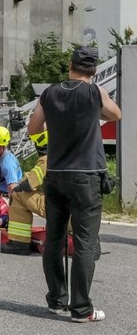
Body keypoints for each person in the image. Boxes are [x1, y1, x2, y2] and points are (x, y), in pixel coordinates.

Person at [27, 46, 121, 323]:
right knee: (84, 243)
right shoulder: (94, 93)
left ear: (70, 65)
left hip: (55, 174)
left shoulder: (50, 93)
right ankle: (81, 309)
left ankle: (56, 300)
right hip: (86, 177)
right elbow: (116, 114)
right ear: (93, 70)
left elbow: (33, 129)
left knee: (54, 240)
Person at [1, 131, 49, 255]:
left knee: (17, 194)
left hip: (61, 209)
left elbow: (28, 185)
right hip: (83, 211)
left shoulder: (48, 159)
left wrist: (24, 178)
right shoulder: (75, 156)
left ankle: (19, 243)